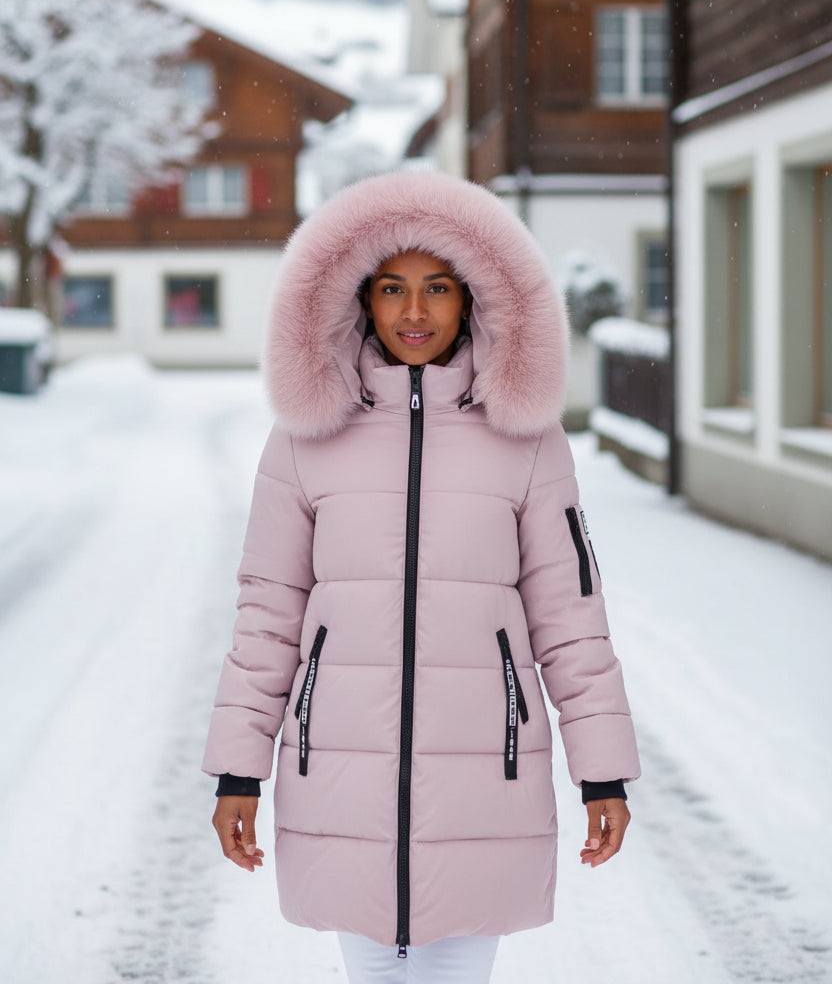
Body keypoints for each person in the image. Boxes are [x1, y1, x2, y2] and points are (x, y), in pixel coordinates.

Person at [203, 171, 640, 984]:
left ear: (472, 297)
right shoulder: (307, 437)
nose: (414, 313)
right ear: (357, 299)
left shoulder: (527, 439)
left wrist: (603, 770)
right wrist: (238, 769)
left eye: (437, 288)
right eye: (392, 289)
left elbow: (571, 615)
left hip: (487, 770)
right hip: (340, 771)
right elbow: (267, 614)